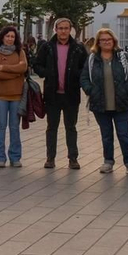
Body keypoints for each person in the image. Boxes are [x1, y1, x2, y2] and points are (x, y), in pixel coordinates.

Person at [82, 27, 128, 175]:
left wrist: (127, 90)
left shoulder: (122, 56)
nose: (106, 42)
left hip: (121, 103)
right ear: (98, 43)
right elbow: (84, 78)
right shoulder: (92, 59)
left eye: (108, 39)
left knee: (123, 134)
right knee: (106, 135)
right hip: (100, 104)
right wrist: (91, 91)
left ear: (113, 41)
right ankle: (108, 161)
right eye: (103, 40)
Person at [31, 17, 87, 170]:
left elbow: (86, 67)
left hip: (71, 94)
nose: (63, 31)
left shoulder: (78, 48)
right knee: (52, 127)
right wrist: (46, 73)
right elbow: (36, 64)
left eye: (66, 28)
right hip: (52, 94)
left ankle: (73, 158)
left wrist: (77, 74)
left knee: (71, 127)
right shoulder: (47, 47)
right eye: (60, 28)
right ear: (56, 29)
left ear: (70, 30)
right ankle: (50, 157)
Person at [0, 25, 29, 168]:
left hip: (17, 95)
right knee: (1, 126)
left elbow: (23, 68)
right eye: (7, 36)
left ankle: (15, 157)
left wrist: (5, 67)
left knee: (14, 126)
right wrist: (16, 73)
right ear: (2, 37)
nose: (10, 39)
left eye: (12, 37)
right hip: (0, 95)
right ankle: (0, 157)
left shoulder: (20, 52)